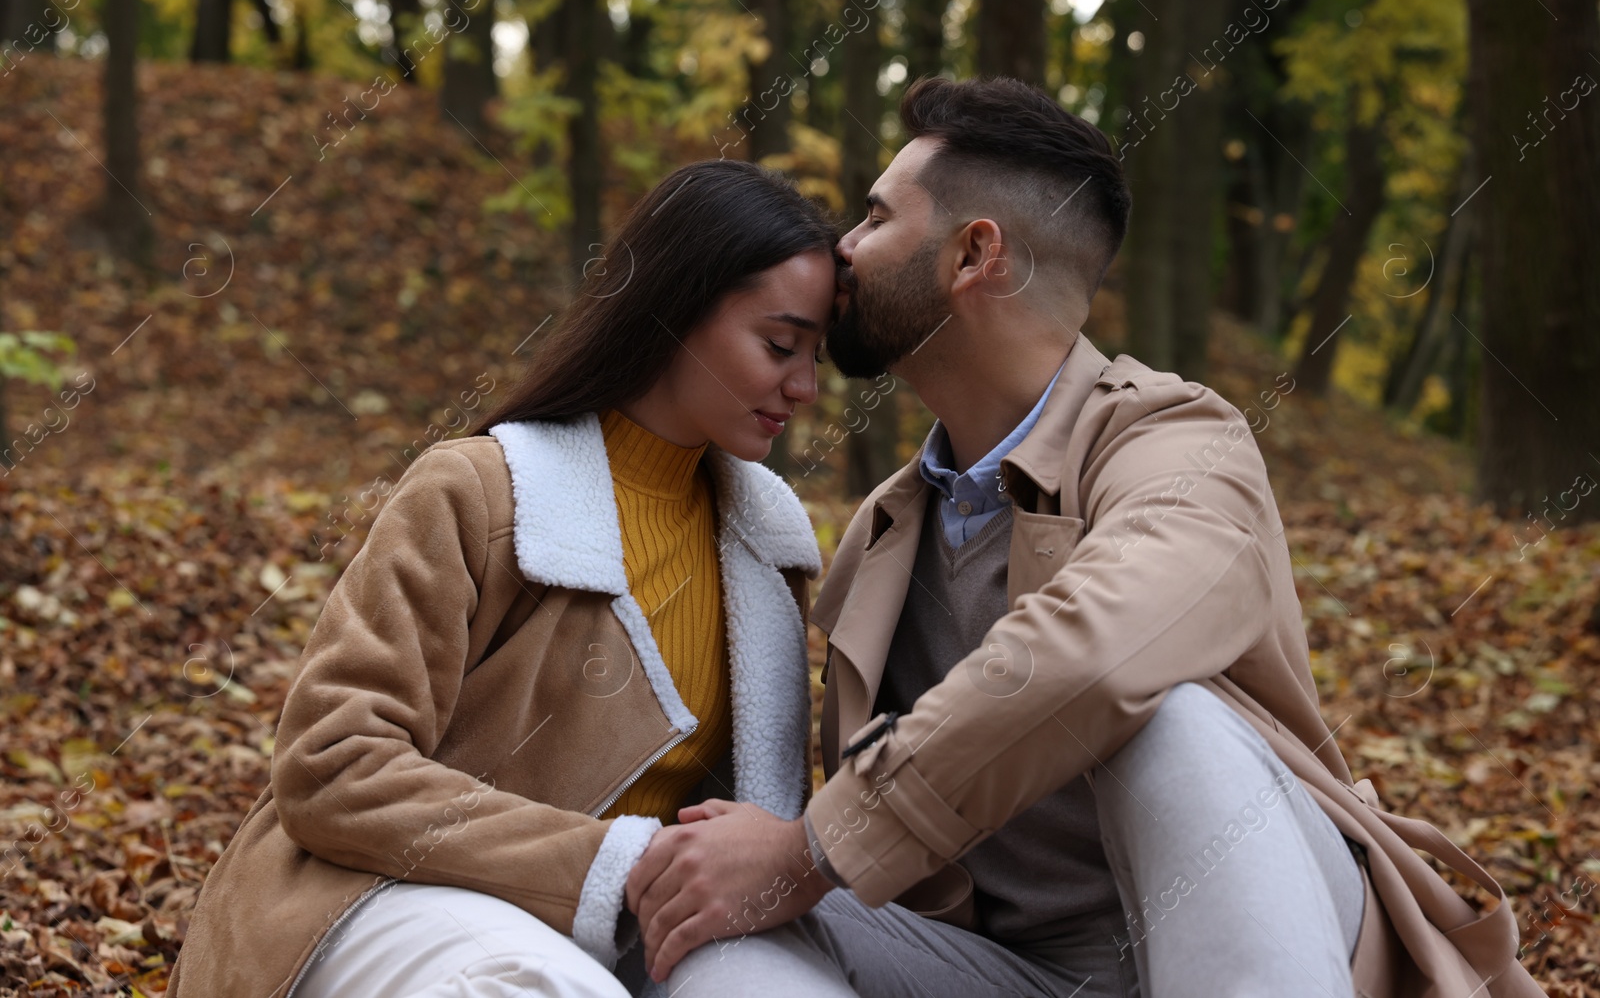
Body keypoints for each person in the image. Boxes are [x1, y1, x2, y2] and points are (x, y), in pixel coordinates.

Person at [624, 78, 1546, 997]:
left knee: (1170, 721)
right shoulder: (886, 530)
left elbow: (1099, 651)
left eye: (873, 217)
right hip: (1023, 974)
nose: (843, 249)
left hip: (1274, 930)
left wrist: (814, 846)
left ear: (973, 253)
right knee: (714, 929)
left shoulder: (1182, 442)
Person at [166, 159, 838, 998]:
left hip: (634, 929)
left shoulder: (767, 545)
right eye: (779, 345)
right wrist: (608, 861)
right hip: (384, 890)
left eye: (816, 357)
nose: (805, 387)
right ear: (675, 308)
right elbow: (331, 765)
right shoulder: (481, 492)